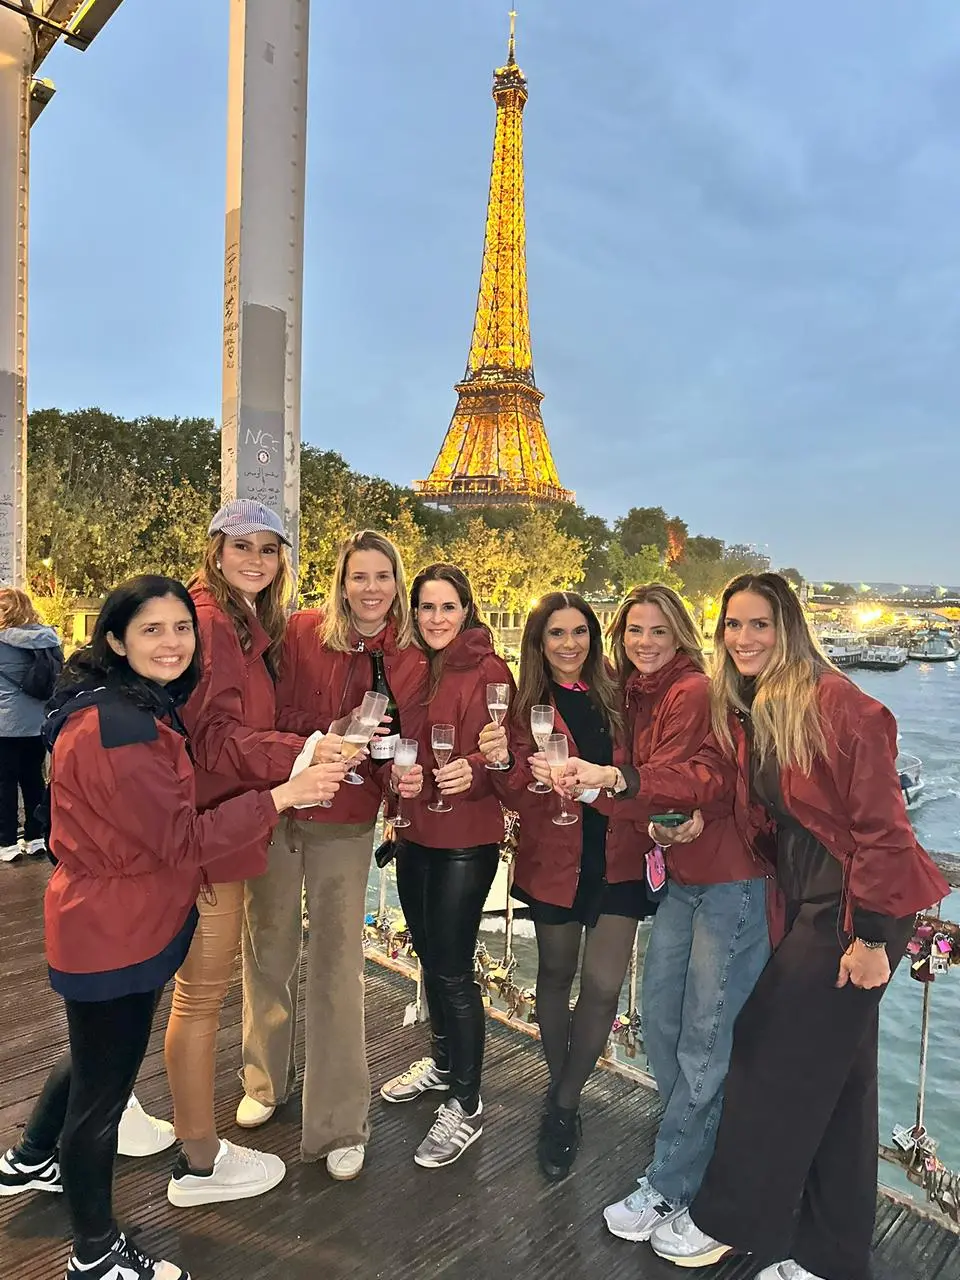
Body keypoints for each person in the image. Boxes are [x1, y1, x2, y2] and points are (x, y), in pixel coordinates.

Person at [0, 575, 342, 1280]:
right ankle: (95, 1254)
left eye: (182, 628)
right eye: (151, 629)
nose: (172, 642)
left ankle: (31, 1158)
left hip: (105, 919)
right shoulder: (122, 726)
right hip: (116, 929)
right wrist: (284, 795)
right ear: (116, 639)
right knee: (101, 1103)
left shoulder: (119, 703)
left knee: (95, 1055)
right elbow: (179, 840)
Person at [643, 573, 949, 1280]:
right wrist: (688, 822)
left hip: (855, 908)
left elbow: (884, 830)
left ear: (789, 629)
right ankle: (829, 1256)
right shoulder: (763, 707)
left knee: (762, 1053)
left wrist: (871, 937)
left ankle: (729, 1222)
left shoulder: (841, 706)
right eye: (732, 624)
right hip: (816, 899)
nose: (743, 638)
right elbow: (767, 814)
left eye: (760, 624)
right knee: (845, 1090)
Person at [564, 585, 773, 1241]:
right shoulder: (637, 694)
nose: (644, 642)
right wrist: (616, 798)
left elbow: (702, 776)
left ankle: (673, 1184)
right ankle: (697, 1160)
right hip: (685, 876)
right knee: (660, 1020)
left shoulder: (692, 690)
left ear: (681, 634)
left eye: (658, 631)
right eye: (634, 630)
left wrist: (613, 781)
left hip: (733, 881)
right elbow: (660, 791)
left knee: (704, 1038)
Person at [164, 499, 340, 1207]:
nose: (256, 560)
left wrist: (303, 741)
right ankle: (200, 1161)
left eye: (270, 549)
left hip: (217, 819)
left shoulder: (239, 623)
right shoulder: (214, 623)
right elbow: (212, 736)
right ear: (215, 549)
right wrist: (300, 754)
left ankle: (92, 1123)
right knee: (199, 996)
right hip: (212, 826)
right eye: (242, 545)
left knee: (187, 991)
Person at [236, 529, 424, 1181]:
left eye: (382, 576)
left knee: (339, 967)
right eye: (358, 575)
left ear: (397, 583)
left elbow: (409, 743)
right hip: (283, 805)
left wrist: (398, 777)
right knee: (267, 947)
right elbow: (262, 715)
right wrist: (321, 740)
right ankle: (264, 1079)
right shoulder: (300, 633)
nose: (371, 589)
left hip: (346, 822)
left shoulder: (408, 656)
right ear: (341, 581)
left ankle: (341, 1121)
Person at [477, 590, 656, 1181]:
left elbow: (646, 769)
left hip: (620, 854)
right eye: (556, 633)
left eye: (580, 631)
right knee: (554, 976)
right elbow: (516, 796)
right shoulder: (525, 705)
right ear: (539, 641)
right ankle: (564, 1090)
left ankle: (563, 1102)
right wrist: (505, 766)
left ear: (594, 638)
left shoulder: (621, 695)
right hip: (554, 855)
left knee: (603, 987)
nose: (569, 643)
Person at [379, 563, 513, 1169]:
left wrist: (477, 770)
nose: (436, 618)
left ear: (467, 610)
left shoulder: (491, 670)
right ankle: (441, 1065)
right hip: (415, 830)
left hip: (465, 838)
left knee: (455, 970)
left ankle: (468, 1102)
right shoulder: (410, 665)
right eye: (426, 607)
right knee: (430, 958)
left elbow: (507, 751)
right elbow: (395, 747)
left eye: (448, 607)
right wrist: (394, 780)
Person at [0, 587, 62, 861]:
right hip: (38, 722)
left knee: (4, 784)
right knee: (33, 779)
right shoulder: (48, 639)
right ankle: (35, 837)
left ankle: (7, 843)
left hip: (4, 724)